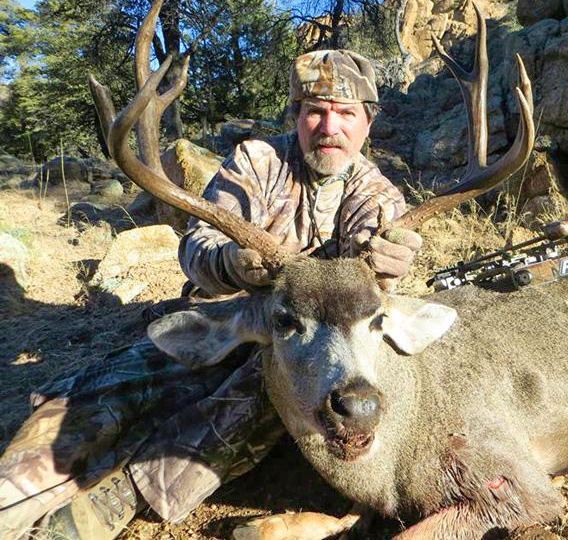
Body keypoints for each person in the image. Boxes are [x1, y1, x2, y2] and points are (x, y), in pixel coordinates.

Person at [0, 50, 423, 539]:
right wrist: (230, 262)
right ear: (296, 116)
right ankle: (15, 491)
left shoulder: (377, 196)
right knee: (111, 390)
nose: (330, 126)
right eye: (315, 110)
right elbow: (197, 244)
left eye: (347, 113)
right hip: (224, 318)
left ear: (367, 122)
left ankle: (123, 498)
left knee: (265, 389)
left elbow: (368, 281)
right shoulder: (256, 160)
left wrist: (389, 267)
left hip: (301, 346)